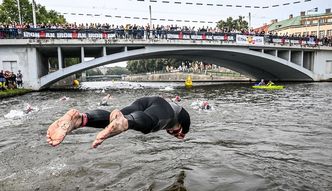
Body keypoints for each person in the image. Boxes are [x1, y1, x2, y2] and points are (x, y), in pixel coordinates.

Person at [46, 96, 191, 148]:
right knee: (151, 123)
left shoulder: (172, 106)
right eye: (175, 132)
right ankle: (126, 122)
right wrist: (180, 132)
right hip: (162, 108)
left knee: (113, 118)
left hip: (146, 101)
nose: (172, 132)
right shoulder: (178, 118)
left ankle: (81, 119)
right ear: (181, 128)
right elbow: (181, 128)